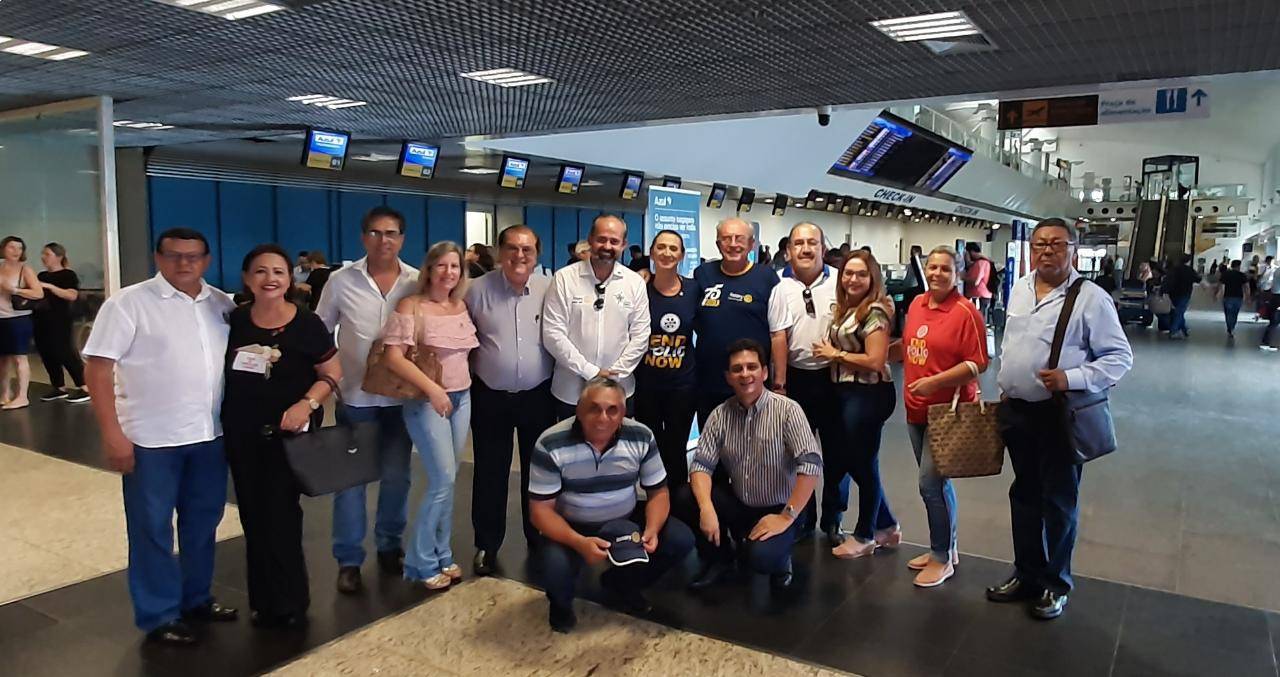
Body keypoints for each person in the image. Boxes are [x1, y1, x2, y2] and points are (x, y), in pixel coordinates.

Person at [81, 228, 239, 645]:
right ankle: (159, 613)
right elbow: (97, 370)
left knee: (203, 522)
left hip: (208, 435)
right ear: (158, 257)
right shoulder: (128, 304)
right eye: (174, 255)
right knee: (152, 528)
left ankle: (196, 599)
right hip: (150, 439)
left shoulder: (221, 304)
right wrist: (112, 434)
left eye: (193, 256)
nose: (184, 263)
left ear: (206, 260)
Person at [987, 217, 1132, 621]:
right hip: (1018, 411)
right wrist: (1006, 380)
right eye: (1039, 244)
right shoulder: (1019, 288)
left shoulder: (1091, 298)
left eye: (1056, 244)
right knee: (1024, 496)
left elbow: (1119, 358)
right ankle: (1027, 574)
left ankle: (1056, 583)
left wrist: (1072, 378)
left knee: (1058, 500)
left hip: (1058, 415)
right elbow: (1012, 343)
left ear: (1073, 250)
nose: (1046, 251)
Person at [222, 244, 339, 628]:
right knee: (253, 515)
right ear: (246, 278)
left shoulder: (307, 324)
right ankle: (263, 599)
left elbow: (332, 372)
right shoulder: (235, 321)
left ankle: (290, 600)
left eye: (278, 272)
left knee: (282, 515)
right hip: (242, 433)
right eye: (260, 271)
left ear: (290, 279)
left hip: (289, 436)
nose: (269, 279)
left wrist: (307, 403)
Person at [529, 377, 694, 633]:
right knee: (554, 567)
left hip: (623, 521)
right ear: (579, 410)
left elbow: (658, 492)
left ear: (623, 413)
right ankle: (561, 604)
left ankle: (622, 583)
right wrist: (579, 542)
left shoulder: (641, 435)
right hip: (572, 525)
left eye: (612, 410)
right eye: (594, 408)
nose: (603, 418)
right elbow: (540, 512)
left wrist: (652, 529)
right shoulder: (550, 443)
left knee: (680, 540)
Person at [315, 206, 419, 594]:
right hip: (355, 398)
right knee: (350, 482)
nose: (383, 240)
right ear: (363, 237)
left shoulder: (416, 281)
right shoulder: (341, 281)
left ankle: (390, 546)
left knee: (397, 478)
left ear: (402, 239)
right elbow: (320, 331)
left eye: (391, 233)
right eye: (375, 233)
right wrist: (328, 377)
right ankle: (348, 559)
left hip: (400, 400)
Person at [675, 339, 821, 591]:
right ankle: (720, 558)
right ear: (728, 377)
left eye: (752, 367)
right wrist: (706, 509)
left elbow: (811, 465)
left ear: (764, 372)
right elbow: (701, 465)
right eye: (737, 369)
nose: (745, 374)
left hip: (781, 506)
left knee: (762, 558)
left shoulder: (788, 410)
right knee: (685, 497)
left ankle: (781, 560)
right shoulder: (720, 415)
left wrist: (786, 516)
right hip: (741, 502)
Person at [379, 241, 477, 590]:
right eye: (442, 265)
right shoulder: (412, 306)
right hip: (426, 401)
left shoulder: (460, 306)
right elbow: (393, 356)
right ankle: (420, 562)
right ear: (429, 269)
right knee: (441, 480)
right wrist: (433, 389)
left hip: (461, 398)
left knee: (449, 481)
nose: (449, 272)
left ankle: (443, 553)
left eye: (455, 266)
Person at [891, 246, 989, 587]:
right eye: (931, 267)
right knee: (938, 484)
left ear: (958, 273)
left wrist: (935, 382)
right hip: (915, 408)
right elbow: (910, 347)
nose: (936, 274)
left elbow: (979, 363)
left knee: (930, 484)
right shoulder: (917, 304)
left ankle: (941, 556)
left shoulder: (966, 313)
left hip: (947, 412)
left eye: (945, 269)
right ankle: (949, 547)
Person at [466, 225, 556, 576]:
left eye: (527, 249)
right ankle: (487, 545)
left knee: (539, 471)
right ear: (500, 252)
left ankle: (539, 536)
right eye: (512, 248)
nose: (520, 256)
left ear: (537, 254)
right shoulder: (476, 290)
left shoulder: (550, 289)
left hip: (538, 395)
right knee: (490, 471)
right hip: (490, 396)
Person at [815, 251, 900, 559]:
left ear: (872, 278)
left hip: (867, 393)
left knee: (863, 464)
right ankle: (886, 525)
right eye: (848, 273)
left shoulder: (874, 312)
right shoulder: (847, 308)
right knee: (853, 461)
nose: (853, 279)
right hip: (845, 392)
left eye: (861, 274)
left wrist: (835, 354)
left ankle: (865, 535)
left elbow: (875, 361)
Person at [774, 223, 848, 542]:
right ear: (788, 250)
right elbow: (776, 335)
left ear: (823, 248)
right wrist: (779, 385)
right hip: (794, 380)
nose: (806, 249)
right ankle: (803, 516)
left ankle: (834, 518)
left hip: (834, 378)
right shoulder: (777, 285)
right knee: (797, 454)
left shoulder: (841, 282)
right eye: (799, 243)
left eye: (812, 243)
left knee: (837, 453)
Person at [542, 214, 649, 420]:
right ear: (590, 240)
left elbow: (641, 335)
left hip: (620, 389)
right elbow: (553, 333)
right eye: (601, 239)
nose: (607, 246)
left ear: (624, 245)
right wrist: (589, 371)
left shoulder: (634, 283)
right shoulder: (564, 279)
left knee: (618, 442)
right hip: (570, 392)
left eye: (614, 241)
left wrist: (616, 373)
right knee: (569, 441)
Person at [692, 218, 793, 428]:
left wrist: (779, 383)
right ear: (718, 243)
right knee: (711, 441)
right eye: (726, 238)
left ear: (751, 244)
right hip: (709, 382)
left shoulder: (767, 278)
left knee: (753, 443)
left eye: (739, 238)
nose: (733, 244)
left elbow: (778, 334)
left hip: (752, 384)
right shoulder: (703, 274)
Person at [634, 230, 699, 495]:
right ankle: (654, 502)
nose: (667, 253)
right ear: (651, 252)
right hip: (646, 385)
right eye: (661, 247)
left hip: (682, 386)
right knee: (649, 448)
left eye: (673, 248)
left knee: (676, 448)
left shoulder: (694, 289)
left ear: (682, 255)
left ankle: (678, 504)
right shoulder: (639, 287)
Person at [34, 243, 89, 403]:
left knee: (64, 352)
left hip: (60, 319)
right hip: (41, 318)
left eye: (47, 254)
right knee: (46, 352)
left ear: (59, 257)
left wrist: (50, 287)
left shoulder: (68, 275)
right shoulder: (41, 275)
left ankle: (85, 386)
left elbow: (71, 295)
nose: (43, 257)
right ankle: (58, 386)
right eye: (43, 254)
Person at [0, 236, 45, 410]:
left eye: (19, 248)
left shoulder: (25, 269)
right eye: (12, 247)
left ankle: (22, 396)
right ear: (3, 249)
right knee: (3, 359)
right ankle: (4, 394)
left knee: (19, 357)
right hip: (1, 318)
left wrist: (14, 289)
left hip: (18, 319)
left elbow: (38, 293)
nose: (16, 251)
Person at [1166, 253, 1201, 340]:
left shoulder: (1174, 269)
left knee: (1178, 311)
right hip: (1185, 294)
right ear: (1188, 261)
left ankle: (1185, 329)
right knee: (1179, 311)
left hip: (1173, 294)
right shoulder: (1190, 270)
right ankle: (1173, 331)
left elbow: (1167, 280)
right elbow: (1198, 279)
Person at [1216, 259, 1248, 338]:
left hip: (1228, 296)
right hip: (1238, 297)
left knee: (1228, 313)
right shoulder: (1242, 275)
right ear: (1238, 266)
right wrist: (1248, 296)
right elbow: (1246, 286)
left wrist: (1217, 293)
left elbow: (1220, 284)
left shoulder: (1226, 274)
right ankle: (1232, 327)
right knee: (1235, 313)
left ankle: (1230, 327)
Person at [963, 242, 993, 319]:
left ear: (971, 252)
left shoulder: (980, 263)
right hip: (983, 295)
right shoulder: (983, 262)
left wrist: (963, 277)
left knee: (977, 318)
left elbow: (975, 281)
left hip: (978, 295)